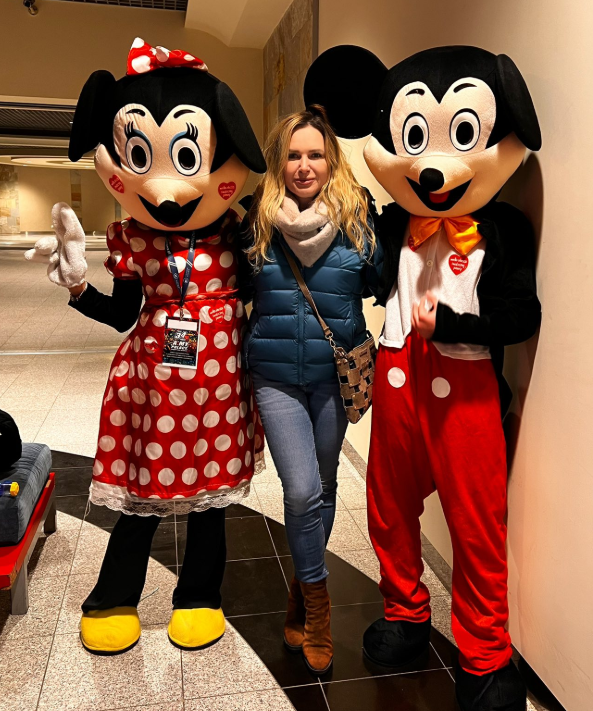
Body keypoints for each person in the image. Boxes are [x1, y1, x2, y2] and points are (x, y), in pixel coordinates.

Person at [25, 38, 266, 655]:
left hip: (219, 388)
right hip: (152, 385)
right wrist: (78, 287)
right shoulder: (132, 238)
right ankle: (112, 599)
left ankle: (200, 597)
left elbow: (265, 293)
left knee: (211, 505)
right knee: (141, 500)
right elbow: (122, 314)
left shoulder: (236, 232)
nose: (165, 190)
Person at [239, 105, 382, 674]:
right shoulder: (257, 220)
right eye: (294, 155)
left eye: (315, 155)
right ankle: (320, 612)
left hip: (332, 378)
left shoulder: (358, 220)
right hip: (275, 376)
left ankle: (301, 589)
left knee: (324, 487)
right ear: (280, 162)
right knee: (300, 492)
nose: (304, 166)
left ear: (331, 161)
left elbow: (380, 283)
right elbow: (232, 285)